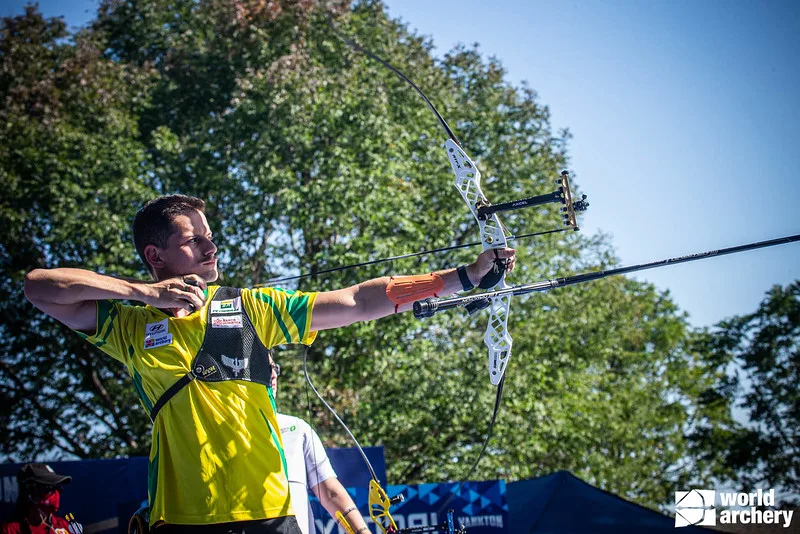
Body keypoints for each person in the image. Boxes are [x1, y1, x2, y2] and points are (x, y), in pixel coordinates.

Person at [23, 194, 515, 533]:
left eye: (210, 235)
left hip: (269, 510)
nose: (211, 246)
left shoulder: (251, 307)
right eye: (194, 241)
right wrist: (140, 292)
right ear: (155, 255)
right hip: (181, 517)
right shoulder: (129, 326)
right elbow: (40, 287)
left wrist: (463, 277)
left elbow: (355, 301)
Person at [269, 357, 368, 534]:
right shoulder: (226, 432)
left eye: (274, 367)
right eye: (263, 366)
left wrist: (362, 532)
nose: (273, 374)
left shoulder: (297, 429)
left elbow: (331, 493)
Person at [1, 463, 73, 534]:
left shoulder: (63, 526)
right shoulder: (11, 529)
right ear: (30, 492)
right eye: (48, 489)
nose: (55, 494)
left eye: (57, 488)